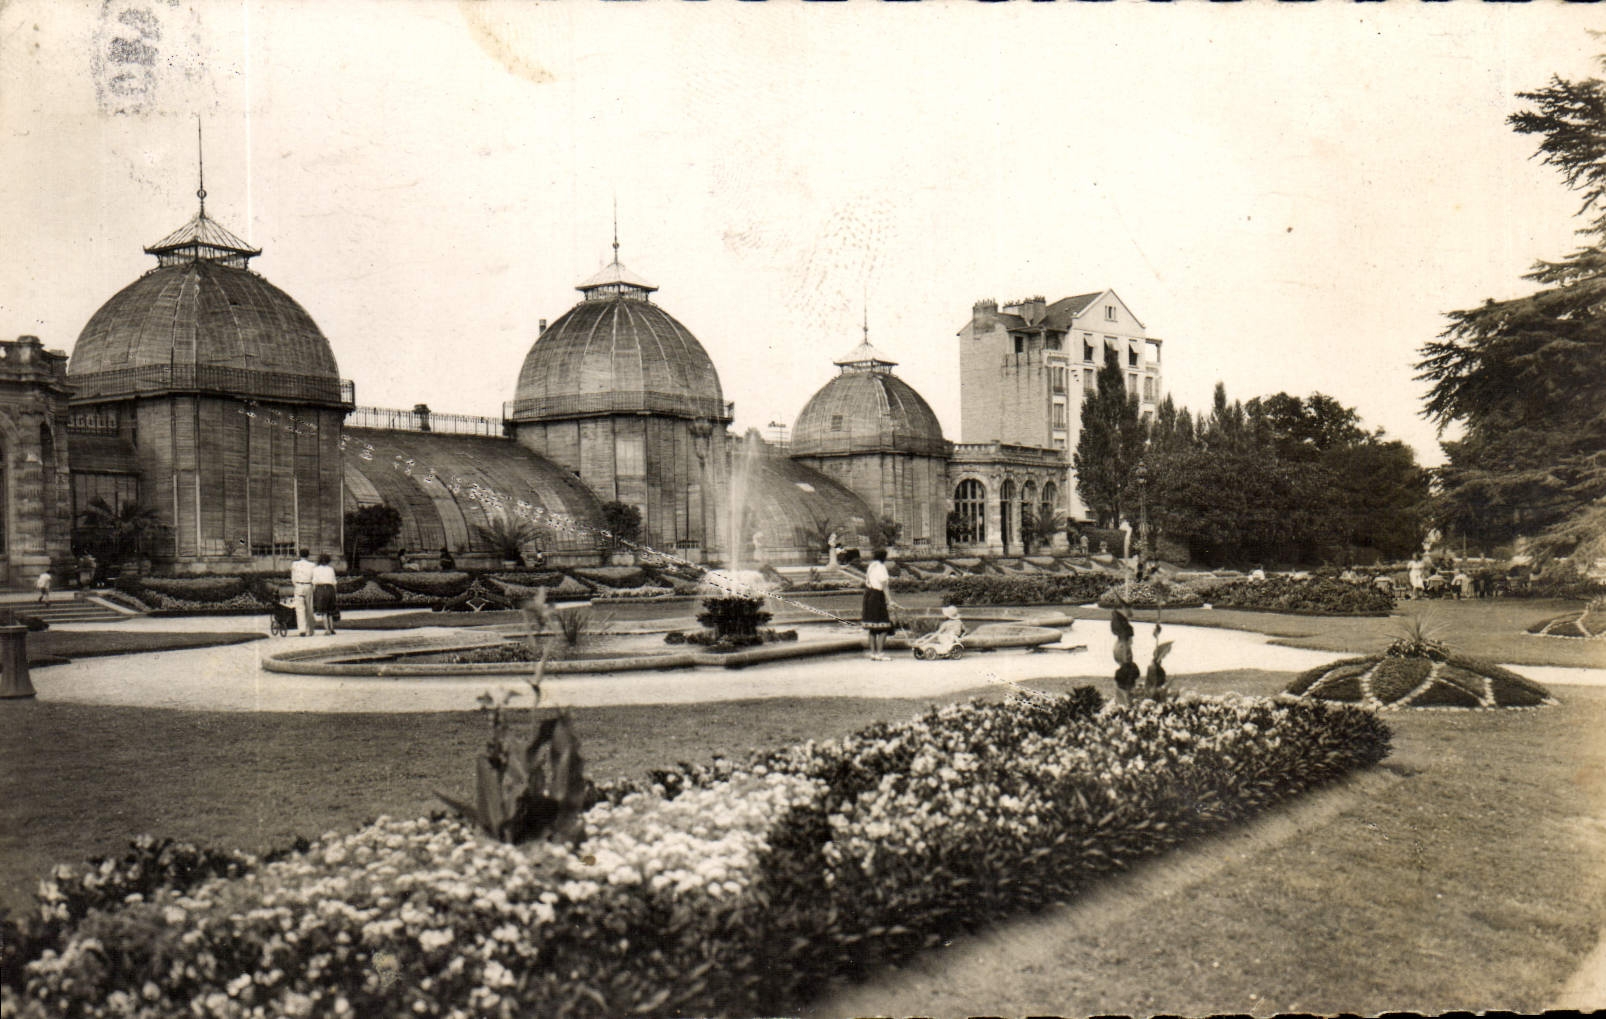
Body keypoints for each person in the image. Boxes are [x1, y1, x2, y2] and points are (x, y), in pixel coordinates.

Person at [861, 547, 894, 661]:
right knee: (884, 626)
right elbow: (884, 585)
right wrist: (890, 600)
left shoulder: (871, 566)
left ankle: (873, 653)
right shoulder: (881, 567)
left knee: (872, 627)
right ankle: (880, 653)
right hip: (877, 596)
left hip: (868, 595)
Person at [289, 549, 316, 636]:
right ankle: (310, 630)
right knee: (309, 608)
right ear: (308, 555)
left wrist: (296, 585)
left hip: (298, 586)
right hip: (308, 585)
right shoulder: (312, 565)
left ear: (300, 555)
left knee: (300, 609)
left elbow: (293, 578)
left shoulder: (295, 564)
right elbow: (314, 578)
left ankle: (302, 630)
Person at [312, 553, 339, 635]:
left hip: (320, 589)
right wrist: (335, 593)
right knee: (330, 610)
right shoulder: (331, 569)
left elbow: (314, 582)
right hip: (330, 589)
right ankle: (331, 628)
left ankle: (326, 629)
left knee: (323, 611)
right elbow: (334, 582)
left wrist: (314, 593)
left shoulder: (315, 569)